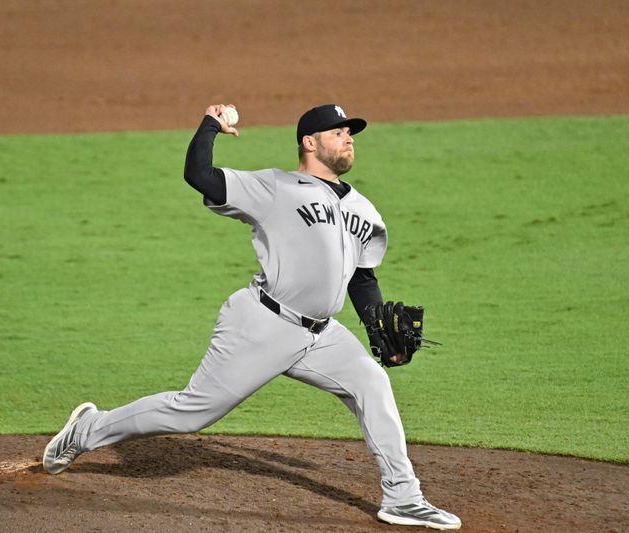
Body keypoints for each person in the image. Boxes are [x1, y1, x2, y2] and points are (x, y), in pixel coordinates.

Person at [42, 103, 462, 530]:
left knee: (373, 383)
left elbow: (362, 277)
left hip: (323, 335)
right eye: (338, 132)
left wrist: (376, 327)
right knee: (191, 412)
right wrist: (210, 127)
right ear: (309, 142)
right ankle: (87, 430)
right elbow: (199, 176)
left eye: (350, 132)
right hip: (264, 324)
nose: (348, 138)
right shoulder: (275, 187)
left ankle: (403, 497)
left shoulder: (364, 209)